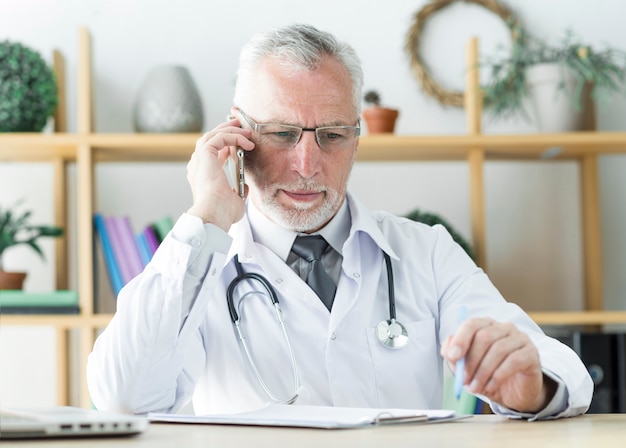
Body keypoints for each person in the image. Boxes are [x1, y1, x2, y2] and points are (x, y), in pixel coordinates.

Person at [87, 24, 592, 420]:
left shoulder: (425, 253)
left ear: (357, 136)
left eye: (330, 135)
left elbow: (556, 367)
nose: (307, 165)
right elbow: (124, 398)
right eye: (283, 134)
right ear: (236, 132)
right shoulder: (201, 263)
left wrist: (533, 385)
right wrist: (206, 218)